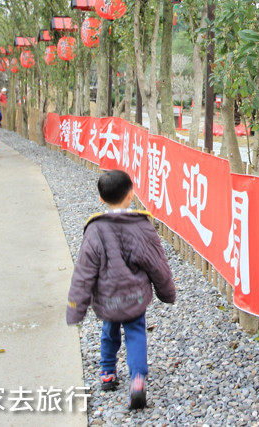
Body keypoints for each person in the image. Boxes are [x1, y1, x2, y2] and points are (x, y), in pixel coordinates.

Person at [66, 170, 176, 407]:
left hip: (108, 298)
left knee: (109, 331)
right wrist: (166, 292)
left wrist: (76, 308)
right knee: (136, 333)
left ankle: (107, 372)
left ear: (101, 199)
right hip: (135, 296)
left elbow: (84, 273)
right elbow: (157, 264)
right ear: (131, 194)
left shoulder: (95, 229)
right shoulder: (142, 226)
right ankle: (137, 380)